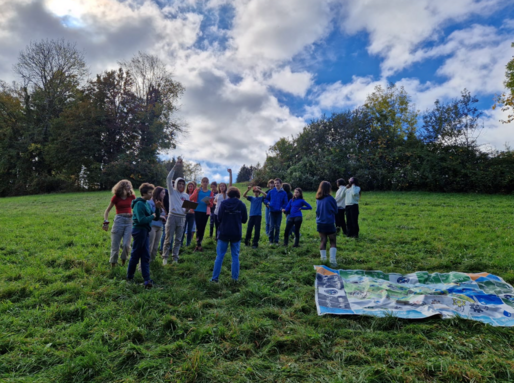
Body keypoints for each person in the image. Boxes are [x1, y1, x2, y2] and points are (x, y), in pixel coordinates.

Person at [127, 183, 163, 288]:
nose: (152, 195)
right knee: (135, 254)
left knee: (145, 256)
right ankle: (130, 277)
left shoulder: (146, 203)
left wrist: (157, 208)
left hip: (145, 231)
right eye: (150, 192)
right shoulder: (139, 204)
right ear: (144, 193)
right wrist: (152, 216)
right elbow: (141, 220)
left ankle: (147, 280)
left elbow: (155, 217)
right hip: (139, 231)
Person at [211, 187, 248, 282]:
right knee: (235, 256)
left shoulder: (223, 204)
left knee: (219, 256)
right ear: (238, 195)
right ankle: (234, 279)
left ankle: (215, 278)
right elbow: (244, 220)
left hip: (224, 232)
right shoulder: (241, 204)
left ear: (229, 194)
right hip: (236, 233)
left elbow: (219, 218)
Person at [162, 159, 189, 265]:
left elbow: (186, 210)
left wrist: (187, 210)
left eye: (183, 184)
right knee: (168, 238)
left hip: (182, 218)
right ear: (176, 184)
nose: (181, 186)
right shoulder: (172, 192)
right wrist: (175, 166)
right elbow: (168, 178)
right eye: (179, 184)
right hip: (172, 216)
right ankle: (165, 257)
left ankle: (175, 258)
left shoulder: (186, 195)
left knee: (178, 239)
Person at [103, 180, 136, 268]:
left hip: (129, 221)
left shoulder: (132, 197)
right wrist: (105, 222)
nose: (129, 187)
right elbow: (107, 211)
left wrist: (135, 214)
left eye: (130, 185)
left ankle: (123, 263)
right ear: (121, 187)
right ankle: (113, 264)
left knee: (126, 245)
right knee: (115, 245)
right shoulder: (116, 197)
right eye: (127, 186)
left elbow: (136, 208)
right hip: (119, 221)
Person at [316, 181, 338, 267]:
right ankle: (332, 260)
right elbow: (336, 211)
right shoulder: (331, 199)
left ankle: (323, 259)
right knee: (332, 241)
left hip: (320, 222)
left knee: (323, 241)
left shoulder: (318, 199)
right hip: (329, 222)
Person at [190, 177, 215, 252]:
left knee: (202, 227)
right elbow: (191, 198)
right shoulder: (197, 190)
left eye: (206, 182)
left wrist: (208, 202)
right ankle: (198, 244)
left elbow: (211, 205)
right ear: (201, 182)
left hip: (205, 212)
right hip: (197, 210)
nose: (204, 183)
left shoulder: (210, 192)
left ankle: (199, 243)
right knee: (198, 227)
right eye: (203, 181)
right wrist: (196, 192)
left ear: (208, 183)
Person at [264, 178, 288, 245]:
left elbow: (285, 202)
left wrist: (283, 208)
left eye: (277, 183)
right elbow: (266, 199)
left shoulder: (284, 193)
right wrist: (268, 203)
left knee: (277, 227)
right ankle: (271, 241)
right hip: (271, 211)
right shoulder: (271, 191)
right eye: (275, 183)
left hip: (279, 212)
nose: (276, 184)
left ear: (281, 183)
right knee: (271, 226)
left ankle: (276, 241)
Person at [148, 186, 167, 262]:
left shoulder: (161, 203)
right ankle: (145, 263)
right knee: (150, 245)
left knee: (156, 246)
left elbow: (162, 214)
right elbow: (149, 213)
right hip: (152, 226)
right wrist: (161, 217)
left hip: (159, 227)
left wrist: (165, 217)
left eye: (164, 193)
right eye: (163, 192)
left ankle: (152, 262)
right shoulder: (150, 202)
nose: (164, 194)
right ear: (158, 193)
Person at [213, 169, 233, 240]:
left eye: (223, 186)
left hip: (225, 213)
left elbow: (230, 184)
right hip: (216, 212)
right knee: (217, 226)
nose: (222, 187)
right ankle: (217, 238)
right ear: (219, 187)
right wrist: (217, 203)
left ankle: (224, 238)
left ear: (225, 187)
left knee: (224, 226)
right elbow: (214, 201)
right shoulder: (217, 195)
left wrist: (230, 173)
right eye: (221, 186)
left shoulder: (227, 193)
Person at [182, 181, 197, 247]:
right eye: (189, 186)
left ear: (194, 187)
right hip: (185, 213)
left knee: (190, 229)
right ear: (187, 187)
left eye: (191, 186)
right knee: (183, 228)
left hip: (192, 214)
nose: (190, 188)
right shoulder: (184, 194)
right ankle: (181, 243)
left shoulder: (196, 195)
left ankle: (188, 244)